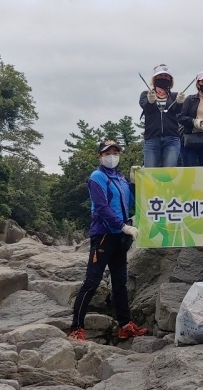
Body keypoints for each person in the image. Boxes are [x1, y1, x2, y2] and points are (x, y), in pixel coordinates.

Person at [68, 140, 147, 342]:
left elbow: (129, 203)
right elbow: (101, 207)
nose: (112, 155)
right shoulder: (97, 177)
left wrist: (135, 183)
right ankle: (76, 328)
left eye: (115, 152)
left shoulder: (119, 178)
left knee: (120, 282)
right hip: (104, 235)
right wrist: (123, 226)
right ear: (100, 157)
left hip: (121, 236)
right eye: (108, 152)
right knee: (92, 282)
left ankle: (125, 325)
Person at [139, 64, 185, 167]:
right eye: (160, 76)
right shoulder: (145, 94)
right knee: (150, 173)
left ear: (170, 79)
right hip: (152, 138)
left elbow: (179, 111)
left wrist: (180, 102)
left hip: (172, 139)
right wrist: (150, 101)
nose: (163, 78)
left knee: (169, 172)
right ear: (155, 78)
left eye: (166, 76)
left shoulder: (174, 96)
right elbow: (146, 108)